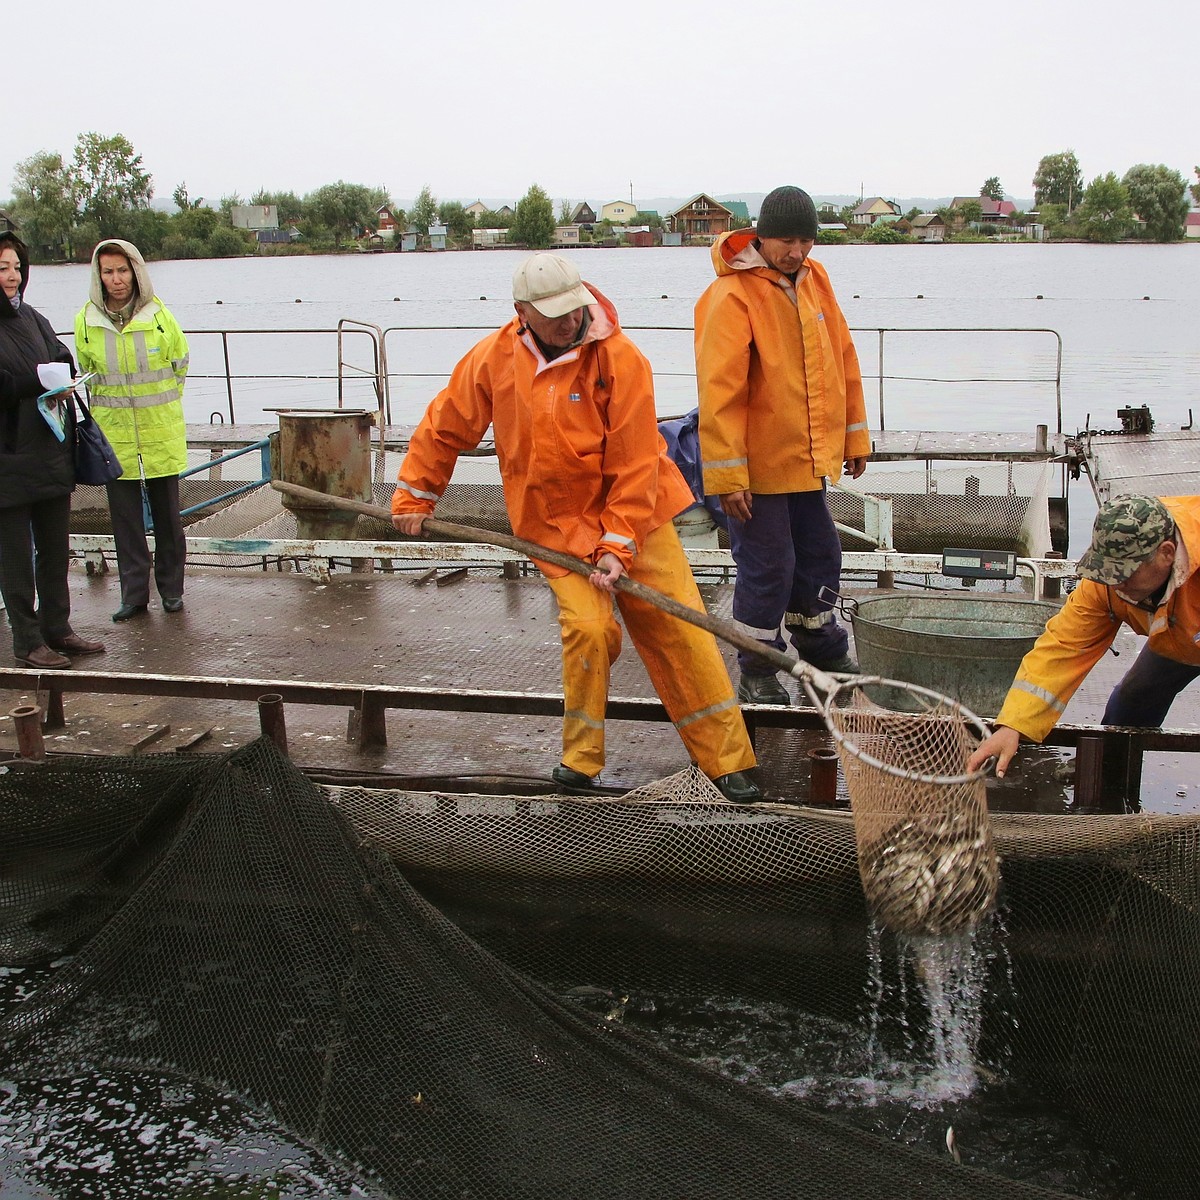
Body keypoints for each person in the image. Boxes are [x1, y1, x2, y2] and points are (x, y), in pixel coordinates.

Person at [392, 252, 762, 803]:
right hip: (554, 527)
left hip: (640, 515)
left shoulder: (620, 359)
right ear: (522, 312)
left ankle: (728, 761)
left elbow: (637, 461)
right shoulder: (493, 358)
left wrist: (618, 543)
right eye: (555, 314)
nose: (569, 322)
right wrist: (415, 495)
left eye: (574, 309)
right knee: (588, 631)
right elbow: (446, 425)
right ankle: (581, 760)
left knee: (681, 631)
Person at [694, 185, 871, 706]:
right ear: (762, 238)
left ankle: (819, 643)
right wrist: (727, 478)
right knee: (767, 566)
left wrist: (853, 436)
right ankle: (759, 666)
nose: (797, 252)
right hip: (757, 470)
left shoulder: (816, 280)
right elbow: (718, 391)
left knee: (819, 556)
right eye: (787, 242)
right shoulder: (729, 296)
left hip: (808, 460)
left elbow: (843, 358)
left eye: (807, 242)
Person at [967, 494, 1200, 777]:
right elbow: (1062, 647)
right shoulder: (1106, 584)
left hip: (1190, 622)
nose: (1116, 584)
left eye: (1125, 574)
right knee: (1132, 700)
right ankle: (1108, 773)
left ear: (1166, 553)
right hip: (1178, 638)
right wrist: (1012, 725)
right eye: (1109, 573)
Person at [0, 232, 105, 669]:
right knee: (15, 558)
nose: (12, 277)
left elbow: (60, 353)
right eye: (3, 268)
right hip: (7, 460)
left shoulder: (34, 318)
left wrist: (64, 378)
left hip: (48, 449)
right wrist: (35, 383)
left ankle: (57, 627)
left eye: (17, 268)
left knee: (54, 549)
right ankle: (26, 639)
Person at [75, 240, 189, 622]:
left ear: (135, 271)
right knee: (125, 521)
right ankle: (133, 595)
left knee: (169, 518)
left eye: (122, 270)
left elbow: (179, 365)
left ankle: (172, 590)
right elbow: (87, 375)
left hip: (159, 430)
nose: (116, 279)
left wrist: (164, 406)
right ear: (99, 275)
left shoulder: (160, 316)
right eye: (108, 272)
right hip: (115, 434)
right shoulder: (86, 321)